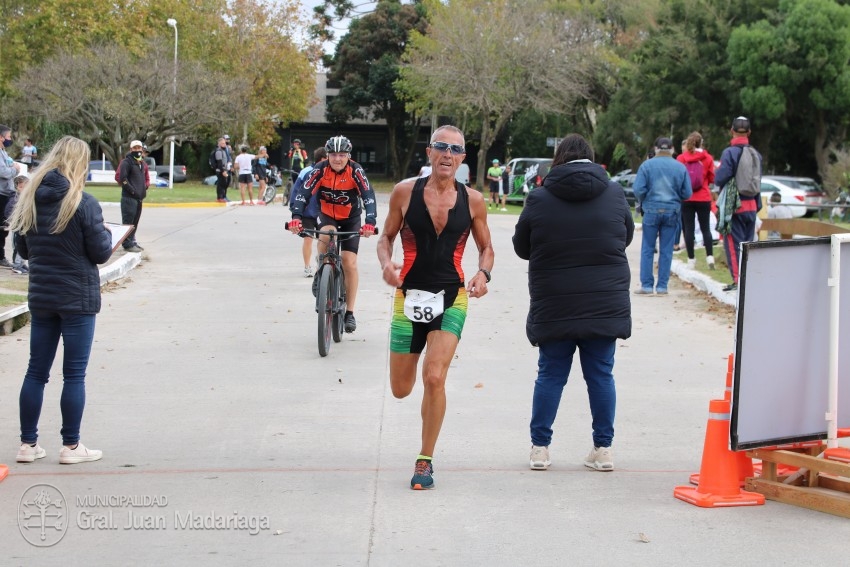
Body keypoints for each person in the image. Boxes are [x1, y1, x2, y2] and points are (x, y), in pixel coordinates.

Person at [376, 125, 494, 490]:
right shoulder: (404, 193)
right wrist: (387, 264)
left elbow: (486, 247)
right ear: (429, 152)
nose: (447, 154)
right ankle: (424, 419)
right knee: (401, 388)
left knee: (435, 377)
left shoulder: (473, 200)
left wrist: (483, 274)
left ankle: (424, 460)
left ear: (462, 158)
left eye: (455, 149)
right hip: (409, 296)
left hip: (451, 296)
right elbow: (385, 238)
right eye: (441, 147)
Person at [513, 133, 633, 472]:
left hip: (555, 303)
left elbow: (523, 247)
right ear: (592, 158)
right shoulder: (614, 194)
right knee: (601, 375)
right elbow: (625, 236)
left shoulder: (539, 198)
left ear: (558, 159)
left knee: (550, 375)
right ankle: (603, 449)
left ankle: (540, 448)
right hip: (604, 302)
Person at [7, 135, 112, 465]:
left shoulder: (31, 201)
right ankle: (71, 446)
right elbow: (100, 252)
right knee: (74, 374)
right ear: (79, 163)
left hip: (42, 295)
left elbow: (23, 250)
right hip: (77, 297)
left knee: (36, 371)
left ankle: (27, 444)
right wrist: (108, 233)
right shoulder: (84, 203)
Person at [289, 136, 377, 333]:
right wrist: (296, 217)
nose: (338, 159)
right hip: (327, 215)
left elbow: (368, 196)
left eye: (342, 155)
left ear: (349, 156)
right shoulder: (319, 170)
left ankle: (350, 313)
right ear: (327, 155)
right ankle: (322, 270)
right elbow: (303, 193)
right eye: (334, 155)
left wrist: (370, 222)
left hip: (350, 218)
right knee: (327, 235)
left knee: (349, 262)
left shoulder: (356, 171)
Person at [632, 137, 692, 295]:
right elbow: (687, 193)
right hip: (672, 211)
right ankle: (662, 286)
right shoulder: (680, 167)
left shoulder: (646, 166)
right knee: (666, 249)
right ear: (672, 149)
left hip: (651, 210)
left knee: (648, 248)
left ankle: (646, 285)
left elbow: (638, 189)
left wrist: (645, 199)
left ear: (656, 148)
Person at [715, 116, 762, 291]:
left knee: (734, 246)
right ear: (749, 132)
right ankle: (747, 279)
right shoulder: (756, 154)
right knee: (748, 246)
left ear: (732, 131)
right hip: (752, 206)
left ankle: (738, 280)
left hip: (734, 207)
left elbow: (720, 178)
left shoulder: (730, 153)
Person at [676, 131, 716, 269]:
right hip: (703, 197)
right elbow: (712, 178)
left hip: (687, 198)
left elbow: (678, 177)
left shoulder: (681, 158)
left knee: (689, 228)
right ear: (701, 142)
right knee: (705, 229)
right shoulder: (708, 158)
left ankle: (691, 259)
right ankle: (710, 257)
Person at [289, 147, 326, 277]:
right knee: (308, 238)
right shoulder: (306, 172)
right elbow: (296, 191)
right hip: (307, 213)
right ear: (321, 159)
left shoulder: (330, 172)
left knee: (324, 239)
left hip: (323, 213)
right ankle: (307, 266)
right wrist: (295, 209)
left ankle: (321, 265)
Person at [116, 140, 148, 252]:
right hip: (129, 198)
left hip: (139, 198)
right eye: (135, 148)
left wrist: (143, 190)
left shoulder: (141, 163)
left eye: (139, 148)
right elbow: (122, 179)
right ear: (131, 150)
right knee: (128, 222)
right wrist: (132, 191)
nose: (137, 150)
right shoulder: (126, 162)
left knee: (135, 222)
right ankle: (127, 243)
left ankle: (132, 241)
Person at [1, 124, 23, 268]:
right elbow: (4, 172)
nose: (10, 139)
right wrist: (15, 169)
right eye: (8, 137)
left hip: (6, 192)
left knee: (3, 228)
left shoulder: (3, 152)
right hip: (1, 194)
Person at [5, 172, 30, 273]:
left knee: (24, 246)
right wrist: (14, 221)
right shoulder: (14, 199)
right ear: (18, 187)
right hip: (17, 227)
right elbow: (8, 212)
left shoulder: (26, 198)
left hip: (24, 226)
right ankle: (16, 265)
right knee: (17, 246)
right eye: (22, 187)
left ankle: (21, 263)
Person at [212, 137, 230, 203]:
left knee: (223, 184)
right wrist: (223, 171)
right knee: (221, 184)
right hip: (220, 170)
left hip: (224, 170)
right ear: (219, 144)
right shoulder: (218, 151)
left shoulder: (224, 151)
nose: (224, 144)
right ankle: (219, 197)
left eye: (224, 143)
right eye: (222, 143)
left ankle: (222, 197)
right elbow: (219, 162)